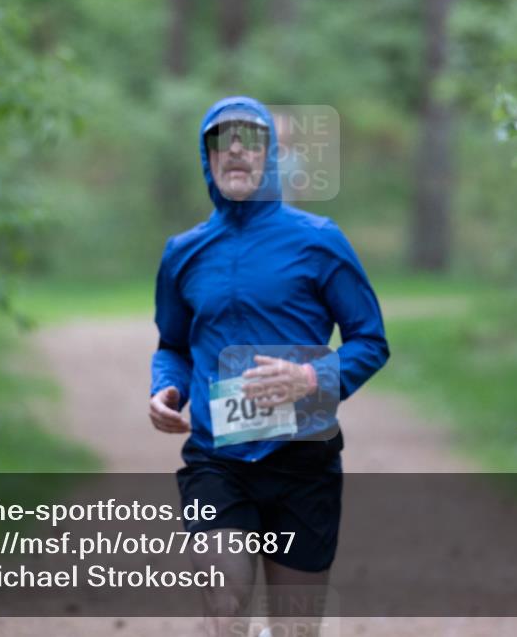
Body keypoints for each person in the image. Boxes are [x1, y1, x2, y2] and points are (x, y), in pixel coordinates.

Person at [149, 96, 389, 637]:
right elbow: (173, 346)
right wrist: (166, 389)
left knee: (295, 630)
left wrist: (311, 379)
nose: (235, 151)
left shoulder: (319, 240)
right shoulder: (182, 252)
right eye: (221, 141)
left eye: (250, 140)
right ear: (206, 158)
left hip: (303, 459)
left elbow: (370, 341)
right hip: (217, 460)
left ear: (271, 155)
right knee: (225, 609)